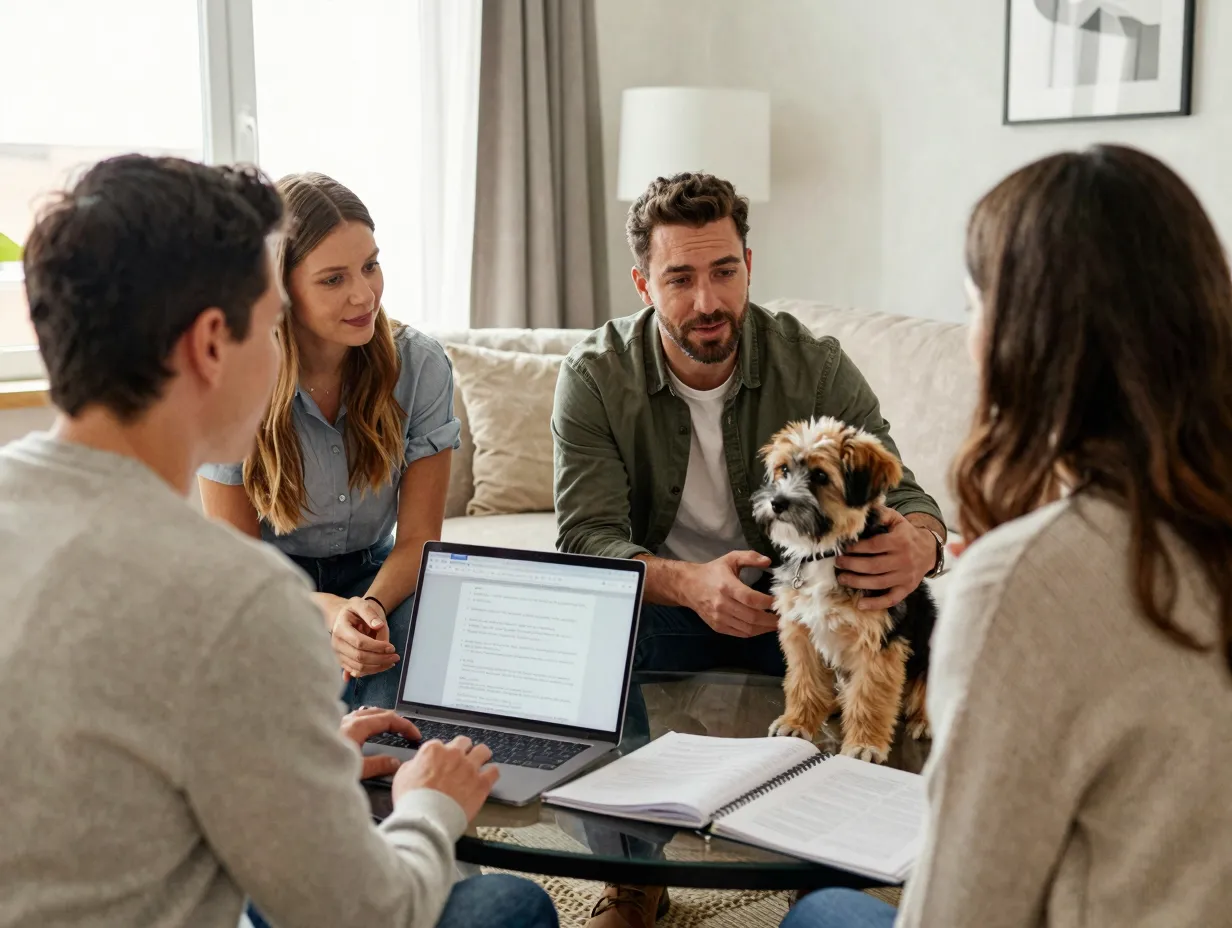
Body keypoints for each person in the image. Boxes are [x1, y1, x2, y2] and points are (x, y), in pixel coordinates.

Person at [0, 154, 555, 928]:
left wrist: (298, 759)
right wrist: (429, 806)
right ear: (208, 347)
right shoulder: (237, 596)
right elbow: (369, 911)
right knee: (512, 904)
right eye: (270, 324)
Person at [783, 146, 1232, 928]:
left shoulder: (1029, 580)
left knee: (819, 912)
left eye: (972, 306)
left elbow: (962, 909)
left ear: (1023, 339)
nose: (967, 337)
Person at [551, 172, 946, 928]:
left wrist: (921, 546)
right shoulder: (595, 376)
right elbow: (585, 540)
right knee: (588, 640)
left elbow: (912, 496)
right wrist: (687, 584)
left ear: (749, 265)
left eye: (724, 271)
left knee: (876, 667)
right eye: (681, 278)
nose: (708, 302)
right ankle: (632, 876)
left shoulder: (815, 364)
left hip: (797, 596)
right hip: (667, 599)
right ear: (643, 284)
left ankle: (825, 880)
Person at [199, 172, 459, 711]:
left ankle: (389, 777)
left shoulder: (420, 365)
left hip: (379, 574)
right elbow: (238, 566)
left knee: (409, 647)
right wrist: (328, 613)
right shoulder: (230, 378)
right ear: (280, 290)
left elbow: (418, 542)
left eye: (370, 265)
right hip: (267, 585)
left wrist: (364, 609)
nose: (364, 294)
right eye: (333, 279)